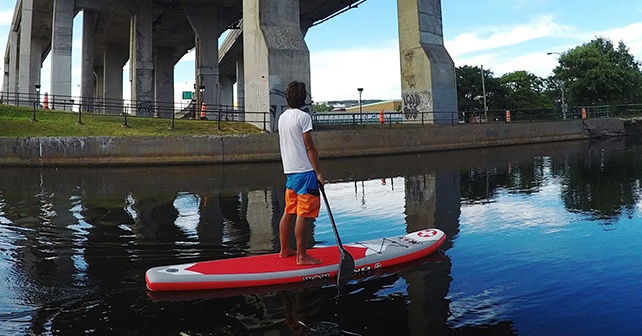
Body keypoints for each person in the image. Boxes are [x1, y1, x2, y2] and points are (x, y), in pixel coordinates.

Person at [278, 80, 324, 265]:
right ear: (303, 98)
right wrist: (319, 173)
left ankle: (284, 250)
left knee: (289, 211)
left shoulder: (282, 117)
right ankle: (302, 256)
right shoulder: (303, 117)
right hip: (305, 173)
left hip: (290, 172)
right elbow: (310, 148)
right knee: (303, 215)